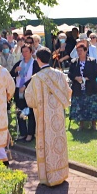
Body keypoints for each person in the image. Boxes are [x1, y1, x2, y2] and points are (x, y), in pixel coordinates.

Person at [25, 47, 72, 185]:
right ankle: (61, 173)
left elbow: (30, 99)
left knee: (47, 144)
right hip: (57, 117)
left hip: (44, 118)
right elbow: (68, 93)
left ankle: (48, 177)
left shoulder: (36, 79)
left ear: (38, 60)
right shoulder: (59, 74)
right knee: (58, 143)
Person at [68, 41, 97, 130]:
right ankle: (81, 125)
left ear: (85, 51)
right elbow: (70, 74)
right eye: (78, 51)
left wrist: (86, 78)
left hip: (90, 87)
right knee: (80, 106)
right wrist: (75, 78)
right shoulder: (74, 62)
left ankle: (94, 125)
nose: (79, 53)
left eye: (81, 50)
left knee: (93, 106)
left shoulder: (92, 61)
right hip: (78, 88)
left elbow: (96, 72)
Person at [11, 44, 40, 142]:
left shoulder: (35, 63)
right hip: (18, 91)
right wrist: (15, 71)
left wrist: (26, 86)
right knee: (20, 112)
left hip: (29, 91)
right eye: (23, 52)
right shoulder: (19, 63)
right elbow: (11, 74)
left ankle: (30, 134)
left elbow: (35, 77)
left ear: (31, 52)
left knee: (30, 112)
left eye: (26, 51)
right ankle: (23, 133)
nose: (24, 54)